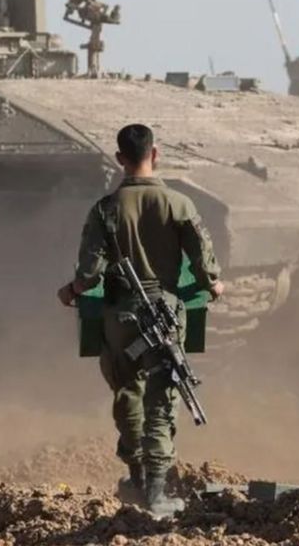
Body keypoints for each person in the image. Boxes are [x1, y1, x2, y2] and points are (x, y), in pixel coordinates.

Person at [57, 124, 224, 518]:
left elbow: (90, 273)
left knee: (127, 393)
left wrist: (71, 291)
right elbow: (204, 264)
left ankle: (136, 479)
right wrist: (214, 285)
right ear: (156, 153)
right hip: (164, 311)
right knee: (161, 401)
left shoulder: (105, 209)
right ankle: (156, 492)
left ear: (120, 159)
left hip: (119, 316)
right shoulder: (179, 204)